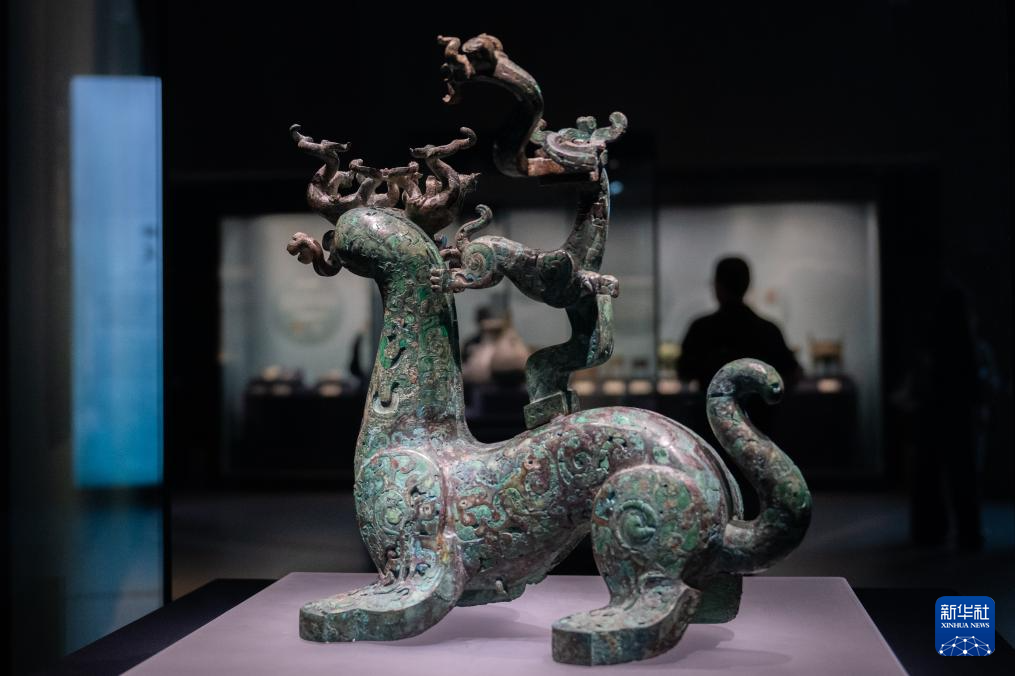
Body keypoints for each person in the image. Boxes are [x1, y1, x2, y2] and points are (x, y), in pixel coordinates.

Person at [677, 255, 801, 397]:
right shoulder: (769, 330)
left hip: (710, 409)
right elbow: (790, 374)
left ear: (718, 286)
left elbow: (684, 373)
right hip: (757, 411)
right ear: (747, 284)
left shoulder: (700, 329)